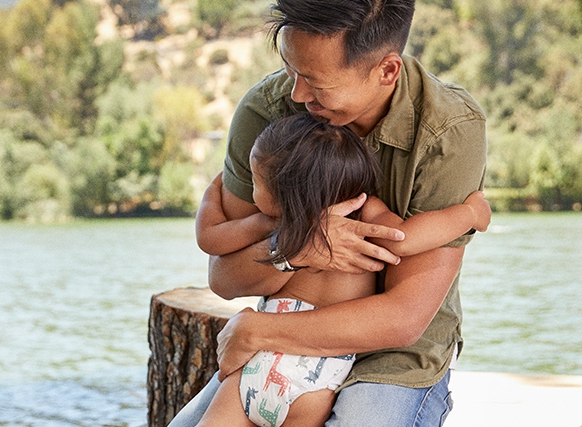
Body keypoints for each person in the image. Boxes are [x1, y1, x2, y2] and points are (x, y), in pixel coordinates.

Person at [170, 0, 488, 425]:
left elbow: (403, 318)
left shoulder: (450, 130)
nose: (297, 95)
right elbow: (225, 278)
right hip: (279, 348)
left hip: (391, 357)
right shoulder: (267, 111)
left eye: (316, 83)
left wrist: (257, 331)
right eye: (290, 68)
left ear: (387, 71)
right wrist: (295, 250)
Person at [193, 113, 490, 427]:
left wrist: (213, 190)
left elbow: (210, 236)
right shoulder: (364, 213)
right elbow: (406, 239)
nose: (252, 190)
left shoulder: (275, 220)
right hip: (317, 378)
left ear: (283, 191)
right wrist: (469, 213)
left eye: (255, 181)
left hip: (257, 364)